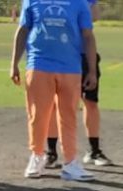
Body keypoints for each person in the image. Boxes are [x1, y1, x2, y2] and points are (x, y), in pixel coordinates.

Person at [11, 0, 98, 181]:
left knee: (68, 116)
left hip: (71, 67)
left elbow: (88, 35)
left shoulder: (79, 3)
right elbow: (23, 30)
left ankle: (70, 162)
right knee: (38, 114)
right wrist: (14, 64)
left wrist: (91, 70)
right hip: (38, 64)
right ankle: (37, 155)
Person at [44, 0, 110, 170]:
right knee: (53, 104)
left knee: (90, 101)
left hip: (83, 54)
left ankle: (94, 150)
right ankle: (51, 152)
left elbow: (95, 16)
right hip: (59, 53)